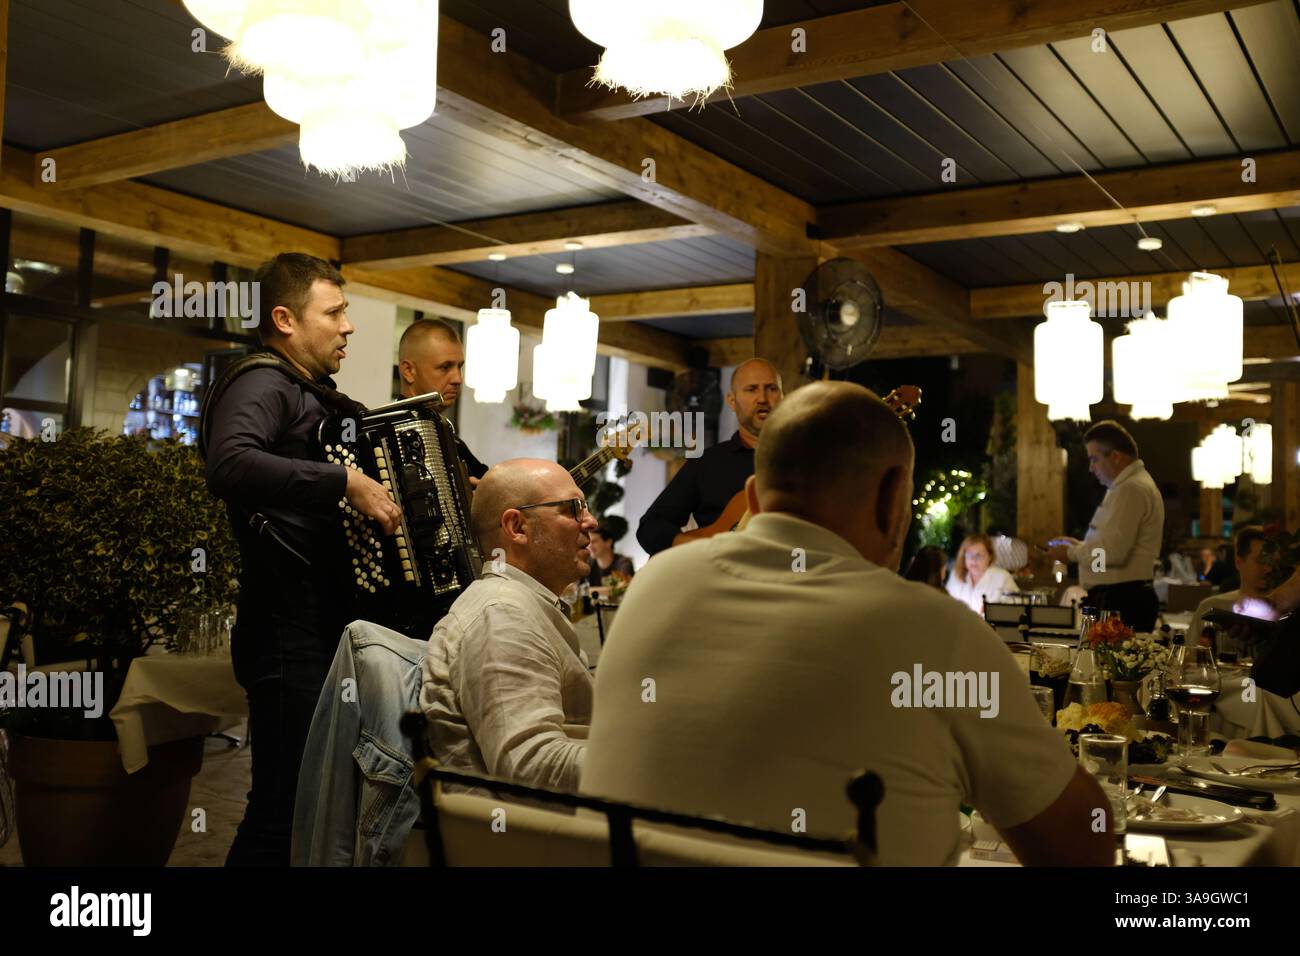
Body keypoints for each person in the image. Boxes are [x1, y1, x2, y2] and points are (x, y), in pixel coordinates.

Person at [583, 382, 1113, 866]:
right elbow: (1082, 847)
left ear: (751, 498)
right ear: (891, 498)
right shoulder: (933, 630)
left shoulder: (650, 589)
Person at [204, 253, 400, 866]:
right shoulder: (262, 380)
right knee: (279, 811)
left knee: (304, 808)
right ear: (285, 319)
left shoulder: (314, 395)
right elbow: (230, 464)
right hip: (286, 631)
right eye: (335, 311)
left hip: (312, 626)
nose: (348, 326)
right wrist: (347, 484)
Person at [420, 459, 597, 793]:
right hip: (520, 839)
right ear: (517, 527)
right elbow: (530, 768)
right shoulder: (502, 615)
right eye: (573, 508)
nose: (591, 521)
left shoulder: (519, 605)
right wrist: (648, 761)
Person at [636, 358, 783, 555]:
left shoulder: (810, 461)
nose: (763, 398)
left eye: (771, 388)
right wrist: (701, 551)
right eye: (751, 389)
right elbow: (651, 528)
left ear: (783, 397)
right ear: (732, 401)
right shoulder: (707, 463)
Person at [1045, 420, 1164, 632]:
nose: (1091, 468)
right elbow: (1107, 556)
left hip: (1123, 599)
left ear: (1116, 456)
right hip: (1119, 596)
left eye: (1094, 459)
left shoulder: (1131, 489)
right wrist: (1083, 546)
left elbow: (1114, 553)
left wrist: (1071, 553)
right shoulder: (1127, 487)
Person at [397, 318, 488, 483]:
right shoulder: (385, 435)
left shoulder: (449, 437)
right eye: (445, 367)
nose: (458, 379)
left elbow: (487, 482)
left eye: (459, 367)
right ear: (408, 371)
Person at [1189, 526, 1267, 656]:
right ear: (1239, 562)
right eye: (1261, 561)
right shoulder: (1211, 608)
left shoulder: (1288, 613)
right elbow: (1189, 659)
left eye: (1273, 561)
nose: (1268, 568)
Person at [945, 533, 1019, 615]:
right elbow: (947, 606)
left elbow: (1016, 610)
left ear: (990, 556)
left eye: (978, 555)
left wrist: (994, 612)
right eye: (969, 555)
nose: (973, 560)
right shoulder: (956, 575)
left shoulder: (1003, 577)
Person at [586, 525, 635, 595]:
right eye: (589, 542)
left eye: (594, 541)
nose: (589, 546)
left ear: (608, 542)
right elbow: (577, 587)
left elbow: (621, 589)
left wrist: (586, 591)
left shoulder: (624, 563)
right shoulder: (589, 564)